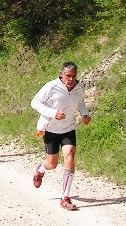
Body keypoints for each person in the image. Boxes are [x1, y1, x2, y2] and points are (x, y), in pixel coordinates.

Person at [31, 62, 91, 211]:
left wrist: (85, 114)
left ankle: (65, 197)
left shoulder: (79, 88)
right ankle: (40, 170)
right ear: (61, 74)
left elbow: (80, 103)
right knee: (52, 164)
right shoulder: (51, 86)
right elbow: (34, 102)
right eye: (68, 76)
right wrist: (53, 113)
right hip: (51, 129)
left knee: (69, 156)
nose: (70, 79)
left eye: (73, 76)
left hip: (68, 128)